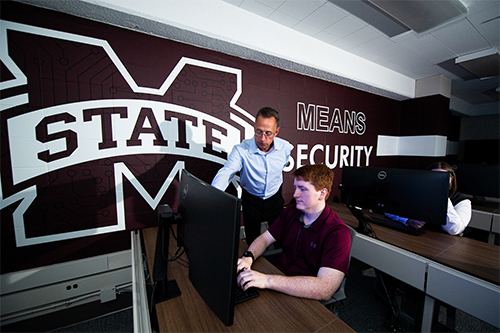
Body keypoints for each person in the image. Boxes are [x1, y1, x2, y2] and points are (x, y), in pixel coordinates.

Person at [236, 164, 351, 301]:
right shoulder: (291, 212)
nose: (295, 194)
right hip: (279, 278)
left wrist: (267, 281)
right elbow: (265, 239)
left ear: (322, 193)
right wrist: (249, 256)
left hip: (303, 294)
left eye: (303, 189)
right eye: (296, 187)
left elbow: (324, 289)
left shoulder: (338, 233)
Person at [211, 107, 292, 244]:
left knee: (280, 240)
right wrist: (212, 196)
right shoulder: (241, 150)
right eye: (258, 132)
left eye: (268, 133)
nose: (262, 138)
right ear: (254, 128)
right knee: (252, 241)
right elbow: (227, 171)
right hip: (251, 201)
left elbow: (282, 166)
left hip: (275, 199)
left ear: (276, 132)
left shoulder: (285, 148)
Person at [387, 161, 472, 235]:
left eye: (443, 177)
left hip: (445, 243)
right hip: (422, 236)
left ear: (451, 180)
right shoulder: (419, 193)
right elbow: (389, 210)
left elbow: (454, 230)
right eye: (434, 177)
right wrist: (407, 220)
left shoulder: (462, 201)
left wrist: (442, 198)